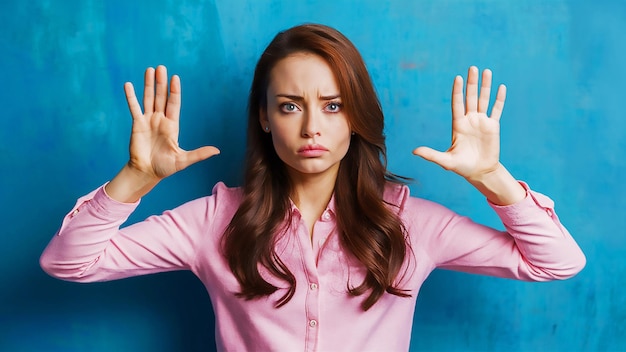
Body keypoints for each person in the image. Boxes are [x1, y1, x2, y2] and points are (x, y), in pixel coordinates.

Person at [40, 24, 585, 351]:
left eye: (332, 105)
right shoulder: (213, 220)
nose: (310, 128)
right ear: (263, 118)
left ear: (356, 117)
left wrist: (492, 177)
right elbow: (69, 263)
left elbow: (556, 262)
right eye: (289, 106)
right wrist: (137, 178)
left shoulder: (411, 223)